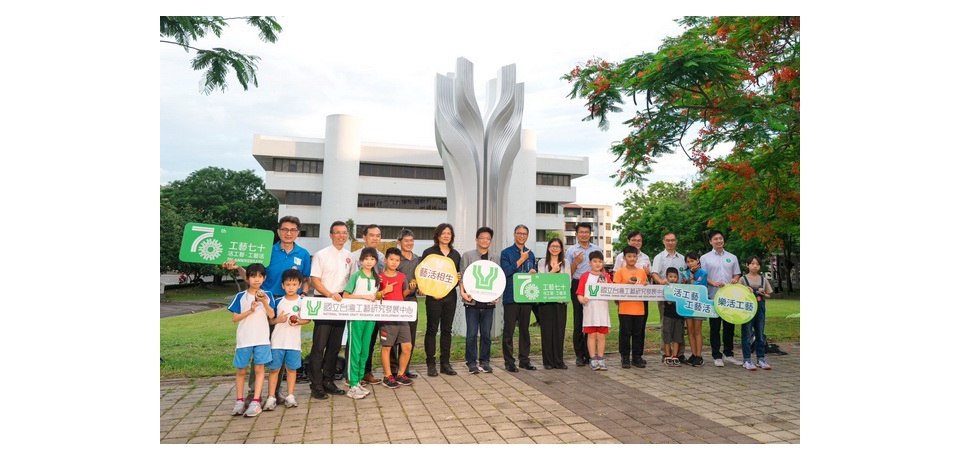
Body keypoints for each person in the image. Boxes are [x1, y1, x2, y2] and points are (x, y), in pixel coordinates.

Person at [223, 216, 312, 402]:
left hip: (288, 306)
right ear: (278, 231)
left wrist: (303, 294)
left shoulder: (303, 254)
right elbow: (251, 275)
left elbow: (306, 279)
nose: (289, 233)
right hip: (266, 304)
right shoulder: (266, 251)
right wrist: (237, 266)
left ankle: (275, 392)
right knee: (262, 345)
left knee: (279, 348)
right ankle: (252, 393)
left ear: (298, 232)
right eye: (285, 229)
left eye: (293, 230)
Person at [308, 221, 352, 398]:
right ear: (331, 235)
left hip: (342, 303)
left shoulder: (350, 256)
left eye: (344, 232)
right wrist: (329, 294)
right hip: (324, 301)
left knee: (334, 346)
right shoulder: (321, 255)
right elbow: (315, 280)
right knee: (319, 346)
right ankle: (316, 384)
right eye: (337, 232)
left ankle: (328, 380)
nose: (341, 235)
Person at [226, 263, 276, 417]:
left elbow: (272, 315)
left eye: (260, 276)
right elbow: (235, 318)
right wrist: (250, 310)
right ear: (247, 278)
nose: (257, 279)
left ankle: (255, 401)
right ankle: (239, 401)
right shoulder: (240, 296)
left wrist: (264, 302)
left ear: (264, 278)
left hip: (261, 340)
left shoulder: (267, 294)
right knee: (241, 370)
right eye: (253, 276)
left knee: (259, 369)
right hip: (244, 340)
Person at [264, 269, 311, 410]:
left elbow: (308, 320)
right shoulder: (277, 301)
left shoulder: (302, 301)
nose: (291, 287)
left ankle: (290, 395)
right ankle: (271, 397)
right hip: (277, 342)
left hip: (293, 343)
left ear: (299, 285)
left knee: (292, 369)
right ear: (283, 285)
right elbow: (271, 321)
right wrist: (279, 319)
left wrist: (298, 322)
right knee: (274, 369)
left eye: (294, 284)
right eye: (288, 284)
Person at [421, 223, 461, 376]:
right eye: (443, 233)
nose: (446, 235)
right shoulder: (429, 253)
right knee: (432, 329)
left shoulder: (456, 254)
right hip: (433, 297)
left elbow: (456, 277)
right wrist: (431, 292)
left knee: (447, 330)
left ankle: (445, 363)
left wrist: (458, 278)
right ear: (437, 235)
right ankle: (431, 364)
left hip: (450, 297)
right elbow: (423, 274)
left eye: (449, 233)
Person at [460, 227, 501, 374]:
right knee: (471, 334)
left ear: (491, 241)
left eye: (488, 238)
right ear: (476, 240)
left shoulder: (495, 257)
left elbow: (498, 279)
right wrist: (462, 293)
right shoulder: (467, 255)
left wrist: (498, 294)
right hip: (472, 301)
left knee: (486, 333)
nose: (485, 240)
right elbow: (463, 276)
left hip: (489, 302)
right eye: (482, 238)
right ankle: (471, 362)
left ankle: (485, 361)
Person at [348, 224, 385, 385]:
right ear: (364, 237)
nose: (375, 238)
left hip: (374, 308)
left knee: (368, 343)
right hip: (356, 309)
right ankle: (352, 377)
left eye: (378, 235)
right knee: (354, 344)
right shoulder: (354, 256)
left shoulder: (382, 257)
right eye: (372, 235)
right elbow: (349, 284)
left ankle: (365, 372)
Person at [342, 247, 382, 399]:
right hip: (356, 317)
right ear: (361, 260)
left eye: (372, 259)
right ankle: (352, 385)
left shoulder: (376, 278)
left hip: (370, 317)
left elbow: (376, 296)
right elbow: (346, 295)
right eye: (366, 258)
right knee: (355, 349)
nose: (369, 261)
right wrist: (364, 297)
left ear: (376, 261)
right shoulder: (356, 276)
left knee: (365, 350)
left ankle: (358, 380)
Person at [700, 229, 743, 367]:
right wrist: (713, 283)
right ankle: (716, 355)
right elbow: (703, 277)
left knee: (730, 326)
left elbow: (737, 274)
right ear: (710, 242)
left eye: (721, 238)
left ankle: (729, 354)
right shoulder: (705, 258)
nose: (719, 241)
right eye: (715, 239)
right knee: (715, 327)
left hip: (730, 297)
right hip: (713, 296)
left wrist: (735, 280)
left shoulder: (732, 257)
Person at [500, 224, 537, 372]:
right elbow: (505, 272)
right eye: (519, 233)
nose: (522, 236)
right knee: (509, 331)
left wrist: (533, 272)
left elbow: (532, 272)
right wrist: (520, 260)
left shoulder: (531, 254)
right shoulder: (506, 253)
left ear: (527, 236)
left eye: (524, 234)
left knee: (524, 330)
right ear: (514, 235)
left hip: (527, 296)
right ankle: (509, 362)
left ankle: (524, 360)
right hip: (511, 296)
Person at [567, 222, 603, 366]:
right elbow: (568, 272)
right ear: (576, 234)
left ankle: (591, 355)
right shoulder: (571, 251)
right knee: (579, 320)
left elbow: (602, 269)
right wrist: (576, 262)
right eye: (581, 232)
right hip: (578, 284)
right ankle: (579, 355)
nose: (584, 234)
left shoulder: (597, 249)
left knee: (592, 319)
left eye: (586, 232)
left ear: (590, 233)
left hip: (594, 285)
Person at [378, 247, 414, 388]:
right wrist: (384, 291)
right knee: (387, 347)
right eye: (391, 259)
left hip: (401, 315)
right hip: (386, 317)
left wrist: (410, 288)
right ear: (386, 260)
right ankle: (387, 376)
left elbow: (402, 295)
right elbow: (375, 296)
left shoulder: (401, 277)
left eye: (397, 260)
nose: (394, 263)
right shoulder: (380, 277)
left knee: (407, 346)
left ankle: (400, 374)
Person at [650, 232, 688, 363]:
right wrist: (661, 282)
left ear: (676, 241)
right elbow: (654, 273)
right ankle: (665, 352)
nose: (670, 243)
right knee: (665, 324)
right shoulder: (659, 257)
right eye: (668, 240)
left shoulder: (682, 258)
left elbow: (684, 275)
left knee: (680, 324)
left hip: (680, 296)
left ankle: (679, 353)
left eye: (672, 240)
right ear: (663, 241)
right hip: (664, 295)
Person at [613, 245, 648, 369]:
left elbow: (646, 286)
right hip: (625, 307)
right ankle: (625, 357)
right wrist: (626, 284)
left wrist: (645, 285)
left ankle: (637, 357)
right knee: (625, 334)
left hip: (639, 308)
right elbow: (615, 290)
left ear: (637, 257)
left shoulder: (641, 272)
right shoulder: (620, 272)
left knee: (638, 333)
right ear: (624, 257)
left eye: (634, 256)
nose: (632, 258)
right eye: (629, 256)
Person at [576, 251, 612, 371]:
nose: (597, 264)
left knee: (601, 335)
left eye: (600, 262)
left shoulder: (605, 277)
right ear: (589, 262)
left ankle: (600, 358)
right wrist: (581, 299)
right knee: (591, 335)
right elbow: (579, 293)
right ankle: (592, 358)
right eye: (595, 261)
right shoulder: (585, 276)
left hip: (602, 310)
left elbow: (612, 290)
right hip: (590, 311)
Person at [537, 237, 568, 370]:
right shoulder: (542, 262)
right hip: (546, 301)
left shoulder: (565, 263)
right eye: (552, 246)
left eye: (557, 246)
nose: (555, 248)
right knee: (547, 331)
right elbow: (540, 280)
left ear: (561, 249)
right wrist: (552, 271)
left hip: (560, 301)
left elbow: (568, 281)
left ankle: (559, 360)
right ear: (548, 248)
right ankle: (548, 361)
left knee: (559, 331)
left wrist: (564, 297)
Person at [739, 255, 774, 371]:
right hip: (747, 309)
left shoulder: (763, 279)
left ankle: (761, 359)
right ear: (747, 265)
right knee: (747, 333)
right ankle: (747, 360)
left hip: (760, 308)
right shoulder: (743, 279)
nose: (755, 266)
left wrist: (763, 294)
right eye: (752, 263)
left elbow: (769, 295)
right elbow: (737, 294)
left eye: (757, 264)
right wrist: (746, 290)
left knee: (759, 334)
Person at [395, 229, 421, 378]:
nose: (409, 243)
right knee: (393, 336)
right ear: (399, 242)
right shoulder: (395, 259)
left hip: (411, 300)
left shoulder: (418, 259)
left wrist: (421, 289)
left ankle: (405, 369)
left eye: (411, 241)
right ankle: (393, 369)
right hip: (395, 300)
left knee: (410, 335)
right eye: (406, 241)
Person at [681, 251, 709, 367]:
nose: (690, 263)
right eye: (688, 262)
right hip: (688, 305)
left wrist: (691, 278)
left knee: (697, 331)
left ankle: (699, 355)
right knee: (690, 331)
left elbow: (697, 287)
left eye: (692, 261)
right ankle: (693, 354)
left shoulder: (703, 273)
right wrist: (687, 279)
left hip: (699, 304)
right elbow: (684, 286)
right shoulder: (685, 273)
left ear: (697, 261)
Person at [661, 267, 685, 367]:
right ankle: (667, 355)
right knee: (667, 335)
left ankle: (675, 356)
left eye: (675, 277)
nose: (672, 278)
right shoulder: (666, 288)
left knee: (677, 336)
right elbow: (669, 301)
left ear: (678, 278)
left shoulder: (681, 288)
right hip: (668, 316)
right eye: (670, 276)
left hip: (679, 316)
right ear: (666, 277)